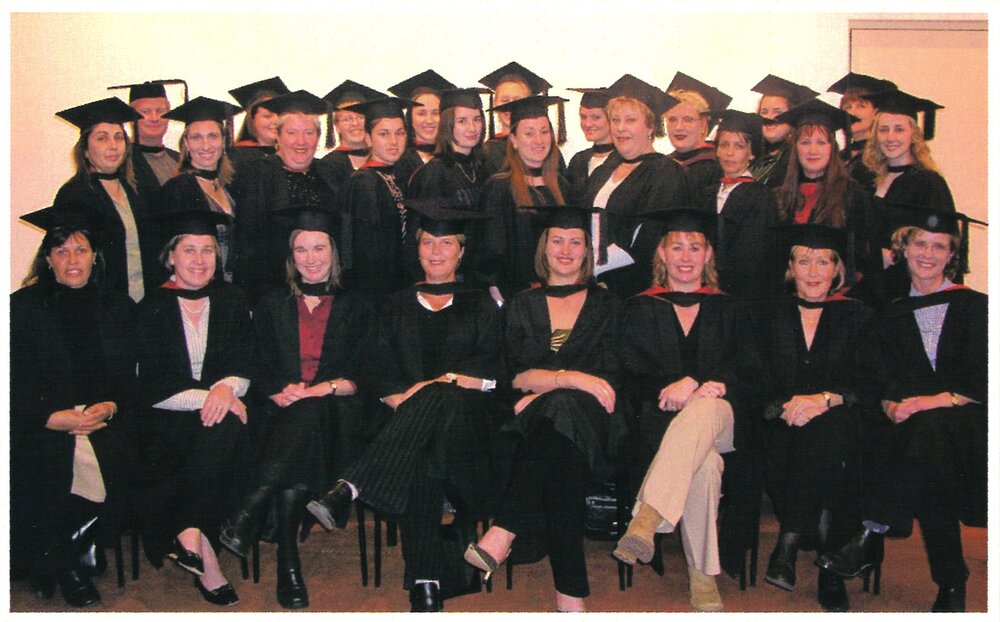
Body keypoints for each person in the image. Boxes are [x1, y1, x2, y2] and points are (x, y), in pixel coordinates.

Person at [307, 203, 501, 613]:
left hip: (469, 436)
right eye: (427, 242)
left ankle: (353, 485)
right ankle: (426, 581)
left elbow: (494, 370)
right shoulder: (393, 304)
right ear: (416, 250)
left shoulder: (482, 304)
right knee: (424, 454)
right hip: (406, 433)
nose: (435, 251)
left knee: (443, 397)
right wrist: (404, 399)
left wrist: (440, 385)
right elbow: (375, 369)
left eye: (446, 243)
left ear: (461, 251)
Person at [815, 207, 986, 613]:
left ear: (951, 256)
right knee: (916, 453)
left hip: (964, 419)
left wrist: (935, 401)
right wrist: (890, 403)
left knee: (929, 437)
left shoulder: (978, 307)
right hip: (906, 425)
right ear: (903, 251)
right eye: (920, 244)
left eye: (939, 246)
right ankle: (950, 581)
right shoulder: (890, 313)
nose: (928, 253)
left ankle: (868, 537)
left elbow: (987, 376)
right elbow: (876, 376)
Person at [465, 206, 626, 613]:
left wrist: (551, 385)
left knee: (561, 418)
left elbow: (606, 380)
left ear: (588, 251)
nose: (566, 250)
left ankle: (503, 531)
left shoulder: (608, 306)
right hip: (537, 425)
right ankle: (570, 592)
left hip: (595, 423)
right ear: (544, 247)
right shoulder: (522, 304)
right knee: (559, 449)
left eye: (576, 242)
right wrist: (572, 379)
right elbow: (515, 376)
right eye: (557, 240)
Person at [218, 206, 372, 609]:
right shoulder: (272, 305)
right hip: (280, 415)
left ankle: (254, 504)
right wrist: (274, 391)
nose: (311, 258)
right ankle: (288, 563)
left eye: (319, 247)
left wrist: (326, 387)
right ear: (291, 256)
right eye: (301, 249)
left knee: (310, 412)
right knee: (300, 422)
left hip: (338, 418)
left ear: (334, 252)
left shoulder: (357, 305)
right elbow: (256, 363)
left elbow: (365, 372)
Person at [739, 224, 876, 612]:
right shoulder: (766, 314)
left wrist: (826, 399)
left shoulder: (857, 316)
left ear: (837, 270)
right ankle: (830, 571)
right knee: (816, 442)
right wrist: (784, 405)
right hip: (778, 421)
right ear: (790, 268)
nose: (813, 271)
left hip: (839, 417)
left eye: (822, 261)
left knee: (828, 435)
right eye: (803, 261)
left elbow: (870, 378)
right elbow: (750, 372)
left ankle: (790, 539)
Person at [10, 204, 136, 608]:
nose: (72, 260)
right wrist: (49, 418)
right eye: (61, 252)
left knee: (111, 451)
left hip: (106, 417)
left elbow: (132, 378)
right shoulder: (22, 309)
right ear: (47, 259)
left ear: (95, 256)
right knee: (60, 454)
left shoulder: (117, 306)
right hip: (43, 419)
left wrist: (111, 406)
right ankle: (71, 560)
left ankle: (65, 550)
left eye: (80, 250)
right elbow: (11, 380)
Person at [615, 209, 739, 612]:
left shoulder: (728, 308)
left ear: (708, 256)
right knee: (706, 467)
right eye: (677, 247)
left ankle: (648, 515)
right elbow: (629, 375)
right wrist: (671, 387)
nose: (686, 256)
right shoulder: (639, 307)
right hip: (661, 424)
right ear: (662, 255)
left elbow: (750, 370)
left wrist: (710, 384)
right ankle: (703, 579)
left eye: (695, 247)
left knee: (707, 408)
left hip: (724, 421)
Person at [133, 209, 252, 606]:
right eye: (189, 250)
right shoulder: (151, 307)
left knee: (226, 428)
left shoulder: (231, 299)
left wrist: (225, 390)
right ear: (171, 258)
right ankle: (207, 558)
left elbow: (247, 364)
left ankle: (187, 531)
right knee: (220, 427)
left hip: (220, 415)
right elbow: (153, 385)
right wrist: (215, 397)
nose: (199, 260)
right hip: (167, 417)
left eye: (207, 250)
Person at [581, 74, 691, 298]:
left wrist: (587, 269)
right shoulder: (604, 170)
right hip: (591, 284)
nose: (620, 128)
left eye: (630, 120)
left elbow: (647, 240)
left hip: (633, 290)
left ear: (650, 127)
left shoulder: (665, 172)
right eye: (615, 119)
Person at [230, 90, 341, 303]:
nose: (301, 141)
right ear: (278, 136)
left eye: (309, 133)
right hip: (274, 292)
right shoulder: (258, 174)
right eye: (292, 133)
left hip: (325, 289)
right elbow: (247, 244)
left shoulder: (329, 174)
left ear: (318, 137)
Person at [53, 97, 164, 302]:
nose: (113, 146)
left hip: (148, 301)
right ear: (85, 149)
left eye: (119, 137)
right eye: (102, 138)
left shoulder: (139, 188)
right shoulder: (74, 195)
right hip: (101, 305)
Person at [772, 99, 877, 299]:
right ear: (796, 149)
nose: (813, 150)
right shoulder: (779, 197)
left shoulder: (853, 195)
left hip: (838, 300)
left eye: (821, 142)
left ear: (832, 147)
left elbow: (862, 258)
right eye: (805, 142)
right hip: (788, 301)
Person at [479, 95, 573, 302]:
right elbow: (490, 254)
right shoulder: (499, 188)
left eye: (544, 132)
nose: (539, 140)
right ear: (513, 140)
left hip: (560, 295)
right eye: (529, 133)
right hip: (515, 297)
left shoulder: (563, 187)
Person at [862, 89, 952, 300]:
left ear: (914, 135)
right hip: (872, 286)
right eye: (884, 130)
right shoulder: (869, 181)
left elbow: (937, 241)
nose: (890, 137)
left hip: (909, 288)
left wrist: (894, 255)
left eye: (899, 129)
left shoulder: (928, 183)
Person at [339, 96, 421, 298]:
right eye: (384, 134)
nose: (394, 142)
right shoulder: (364, 183)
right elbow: (368, 253)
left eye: (400, 133)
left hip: (401, 287)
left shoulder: (399, 175)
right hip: (377, 292)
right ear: (368, 138)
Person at [698, 109, 779, 299]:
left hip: (741, 293)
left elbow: (754, 254)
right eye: (724, 145)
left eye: (739, 146)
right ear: (716, 150)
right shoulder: (707, 193)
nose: (729, 153)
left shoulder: (760, 196)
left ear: (752, 154)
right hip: (703, 289)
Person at [162, 96, 241, 282]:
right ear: (186, 144)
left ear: (223, 142)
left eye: (212, 136)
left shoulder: (230, 185)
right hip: (200, 284)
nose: (206, 146)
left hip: (233, 288)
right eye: (197, 138)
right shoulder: (177, 190)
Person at [478, 61, 566, 175]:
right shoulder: (487, 153)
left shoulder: (548, 151)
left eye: (518, 101)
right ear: (494, 104)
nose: (510, 107)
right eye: (504, 101)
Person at [108, 79, 183, 207]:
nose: (154, 118)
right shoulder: (119, 161)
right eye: (145, 112)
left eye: (160, 111)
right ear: (131, 117)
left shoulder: (180, 159)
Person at [826, 72, 897, 192]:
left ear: (876, 113)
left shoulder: (883, 155)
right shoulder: (839, 156)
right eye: (848, 107)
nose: (852, 112)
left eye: (861, 106)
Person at [665, 72, 731, 194]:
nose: (678, 127)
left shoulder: (719, 165)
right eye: (672, 120)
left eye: (688, 119)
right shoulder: (661, 164)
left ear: (703, 124)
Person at [388, 69, 457, 186]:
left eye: (436, 113)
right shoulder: (398, 161)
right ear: (410, 118)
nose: (429, 120)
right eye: (421, 113)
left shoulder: (456, 156)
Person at [749, 75, 819, 189]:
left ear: (793, 117)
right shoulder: (752, 154)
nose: (770, 118)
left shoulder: (799, 159)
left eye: (778, 111)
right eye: (764, 112)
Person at [320, 80, 386, 187]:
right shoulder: (328, 166)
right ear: (337, 127)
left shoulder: (383, 159)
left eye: (360, 117)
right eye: (347, 119)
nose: (355, 123)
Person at [227, 76, 290, 172]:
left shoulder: (288, 157)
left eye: (280, 115)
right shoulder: (238, 158)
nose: (276, 121)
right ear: (252, 120)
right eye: (267, 116)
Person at [565, 87, 618, 199]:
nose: (588, 124)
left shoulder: (624, 161)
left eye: (596, 117)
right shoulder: (578, 160)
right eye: (583, 117)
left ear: (612, 118)